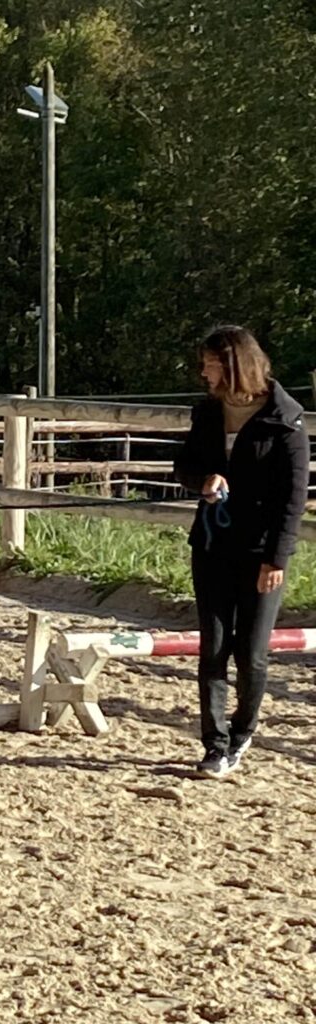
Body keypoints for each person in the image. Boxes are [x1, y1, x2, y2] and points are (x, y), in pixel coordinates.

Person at [174, 324, 309, 779]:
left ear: (231, 363)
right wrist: (204, 480)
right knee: (213, 648)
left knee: (251, 653)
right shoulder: (207, 414)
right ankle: (214, 745)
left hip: (259, 552)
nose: (203, 372)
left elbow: (293, 500)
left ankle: (242, 730)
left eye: (210, 363)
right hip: (212, 543)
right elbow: (185, 466)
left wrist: (278, 559)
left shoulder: (285, 420)